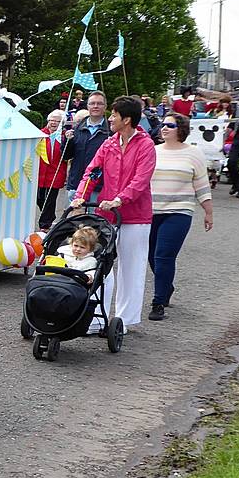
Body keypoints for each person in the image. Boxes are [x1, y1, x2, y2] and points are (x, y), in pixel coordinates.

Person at [72, 96, 157, 332]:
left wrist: (120, 199)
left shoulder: (145, 145)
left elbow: (141, 180)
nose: (110, 118)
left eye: (114, 115)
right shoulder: (109, 143)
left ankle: (124, 320)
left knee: (131, 267)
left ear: (126, 119)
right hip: (107, 214)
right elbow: (92, 171)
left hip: (135, 216)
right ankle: (96, 319)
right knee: (99, 265)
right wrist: (81, 194)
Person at [148, 114, 213, 321]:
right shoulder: (152, 151)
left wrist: (208, 211)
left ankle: (158, 303)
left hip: (178, 211)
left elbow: (202, 185)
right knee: (151, 256)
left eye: (170, 125)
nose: (164, 128)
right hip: (150, 211)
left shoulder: (194, 153)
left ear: (181, 129)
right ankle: (166, 285)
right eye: (162, 124)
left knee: (163, 255)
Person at [63, 91, 110, 203]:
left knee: (95, 219)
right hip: (76, 183)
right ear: (87, 106)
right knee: (75, 219)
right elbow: (66, 156)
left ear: (105, 107)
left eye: (99, 103)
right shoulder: (77, 129)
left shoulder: (111, 130)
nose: (95, 106)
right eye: (92, 103)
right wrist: (67, 142)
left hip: (100, 186)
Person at [37, 110, 68, 231]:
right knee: (39, 199)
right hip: (39, 173)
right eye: (52, 120)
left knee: (49, 200)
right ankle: (49, 216)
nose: (54, 123)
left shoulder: (64, 136)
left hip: (55, 173)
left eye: (57, 121)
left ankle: (44, 225)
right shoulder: (39, 134)